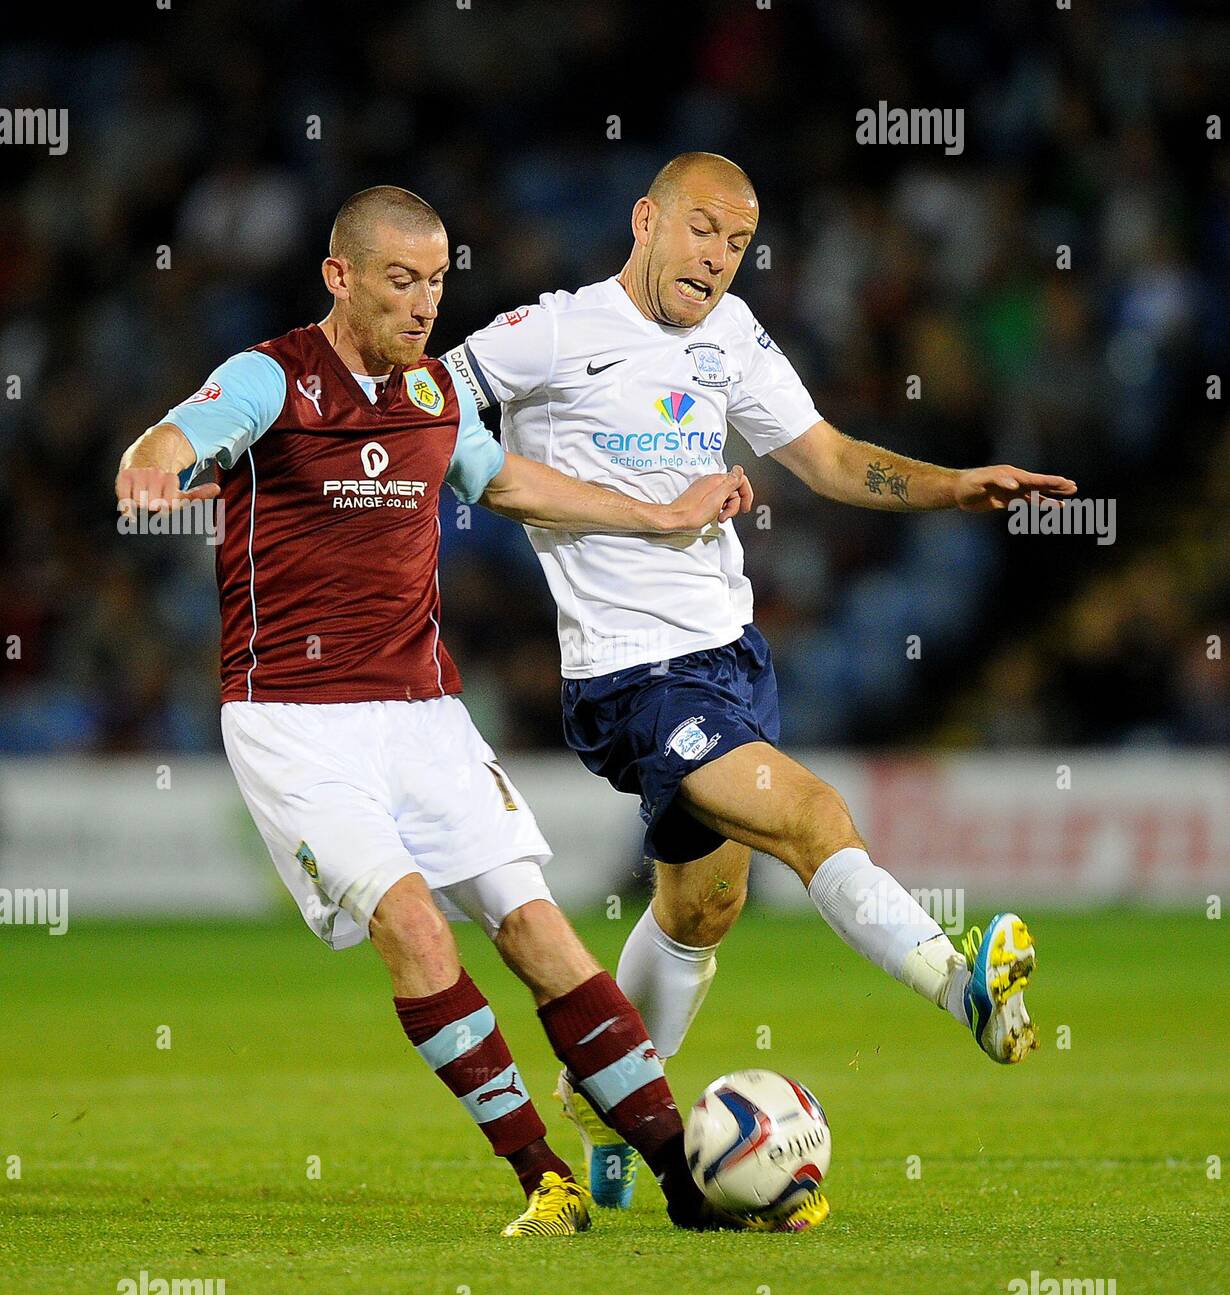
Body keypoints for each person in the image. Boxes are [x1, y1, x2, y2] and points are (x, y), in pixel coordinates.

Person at [114, 185, 831, 1236]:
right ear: (340, 275)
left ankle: (687, 1177)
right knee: (411, 924)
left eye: (439, 280)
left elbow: (509, 484)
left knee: (540, 933)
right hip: (296, 720)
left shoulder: (436, 400)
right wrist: (153, 467)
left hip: (424, 712)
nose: (423, 303)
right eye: (400, 280)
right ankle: (544, 1176)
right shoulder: (275, 377)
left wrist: (659, 514)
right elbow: (180, 435)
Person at [443, 153, 1076, 1207]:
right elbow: (431, 404)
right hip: (632, 674)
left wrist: (952, 486)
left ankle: (604, 1099)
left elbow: (824, 456)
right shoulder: (553, 331)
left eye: (737, 243)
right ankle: (956, 981)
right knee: (812, 813)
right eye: (700, 230)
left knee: (702, 907)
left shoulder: (733, 337)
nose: (717, 257)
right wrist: (522, 489)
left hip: (730, 659)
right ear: (645, 221)